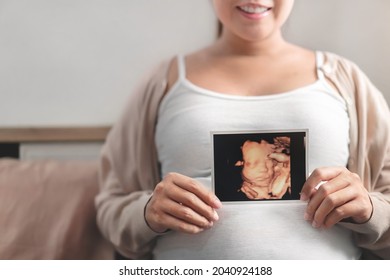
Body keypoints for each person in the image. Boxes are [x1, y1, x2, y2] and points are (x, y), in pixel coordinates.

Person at [95, 0, 390, 259]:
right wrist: (147, 213)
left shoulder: (342, 78)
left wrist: (370, 210)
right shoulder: (164, 81)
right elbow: (112, 204)